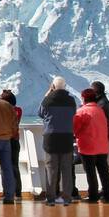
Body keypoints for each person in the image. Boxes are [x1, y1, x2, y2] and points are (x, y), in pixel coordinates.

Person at [38, 76, 77, 206]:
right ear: (65, 87)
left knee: (51, 168)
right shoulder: (71, 101)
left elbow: (41, 113)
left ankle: (51, 198)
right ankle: (67, 197)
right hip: (67, 137)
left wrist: (47, 94)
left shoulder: (47, 100)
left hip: (51, 138)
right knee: (66, 168)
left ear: (53, 87)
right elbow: (74, 114)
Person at [73, 88, 109, 203]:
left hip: (87, 147)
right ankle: (108, 194)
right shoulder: (100, 110)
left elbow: (75, 128)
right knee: (104, 171)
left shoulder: (82, 111)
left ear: (84, 98)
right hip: (102, 146)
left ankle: (93, 195)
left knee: (91, 173)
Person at [90, 80, 109, 191]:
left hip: (105, 138)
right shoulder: (102, 102)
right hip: (104, 137)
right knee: (105, 164)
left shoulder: (101, 104)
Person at [0, 89, 24, 200]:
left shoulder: (11, 111)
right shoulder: (18, 110)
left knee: (7, 167)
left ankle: (9, 191)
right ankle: (16, 192)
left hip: (6, 140)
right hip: (14, 140)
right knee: (14, 166)